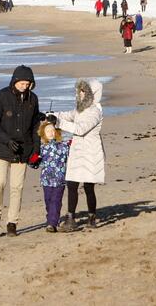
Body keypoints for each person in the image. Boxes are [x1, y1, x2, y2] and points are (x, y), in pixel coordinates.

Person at [0, 65, 43, 236]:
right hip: (2, 148)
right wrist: (7, 140)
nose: (25, 86)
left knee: (17, 187)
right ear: (15, 81)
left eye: (28, 84)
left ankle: (12, 223)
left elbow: (35, 126)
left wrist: (36, 150)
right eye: (22, 83)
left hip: (23, 151)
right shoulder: (1, 96)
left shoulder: (33, 99)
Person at [54, 79, 106, 232]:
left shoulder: (96, 112)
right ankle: (71, 219)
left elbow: (81, 129)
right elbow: (66, 115)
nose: (80, 93)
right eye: (79, 91)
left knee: (89, 187)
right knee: (72, 184)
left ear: (92, 93)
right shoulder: (79, 110)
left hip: (91, 153)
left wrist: (59, 123)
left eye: (83, 91)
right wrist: (49, 115)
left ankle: (92, 217)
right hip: (77, 152)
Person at [38, 121, 69, 232]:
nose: (51, 133)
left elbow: (70, 156)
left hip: (60, 179)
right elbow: (36, 163)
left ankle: (52, 223)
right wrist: (32, 160)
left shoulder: (63, 146)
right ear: (43, 134)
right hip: (46, 179)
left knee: (56, 200)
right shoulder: (42, 147)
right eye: (48, 131)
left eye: (52, 130)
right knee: (48, 200)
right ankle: (51, 219)